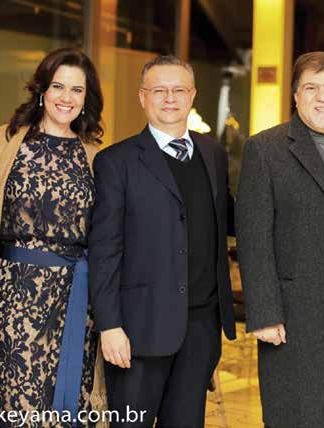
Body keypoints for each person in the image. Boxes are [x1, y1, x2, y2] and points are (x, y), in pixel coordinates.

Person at [236, 51, 324, 428]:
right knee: (299, 415)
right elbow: (253, 237)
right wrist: (264, 314)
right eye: (311, 88)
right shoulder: (265, 149)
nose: (323, 97)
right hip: (296, 315)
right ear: (295, 95)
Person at [89, 54, 236, 428]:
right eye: (159, 90)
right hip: (138, 330)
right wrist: (109, 326)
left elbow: (229, 221)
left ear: (192, 96)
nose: (170, 98)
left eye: (178, 90)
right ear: (142, 97)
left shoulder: (213, 155)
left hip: (200, 330)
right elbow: (105, 250)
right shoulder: (115, 162)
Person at [0, 48, 105, 424]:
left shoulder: (95, 155)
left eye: (77, 89)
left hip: (75, 303)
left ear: (86, 97)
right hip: (12, 302)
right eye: (58, 86)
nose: (66, 97)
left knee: (65, 405)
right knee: (14, 406)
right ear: (42, 89)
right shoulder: (4, 141)